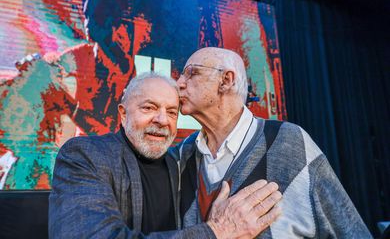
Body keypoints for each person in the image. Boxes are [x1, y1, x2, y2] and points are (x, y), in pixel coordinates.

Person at [49, 72, 282, 238]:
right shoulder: (84, 154)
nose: (162, 120)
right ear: (122, 113)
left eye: (171, 112)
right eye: (148, 108)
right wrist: (218, 230)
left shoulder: (179, 162)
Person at [174, 47, 372, 238]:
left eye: (192, 73)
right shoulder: (182, 154)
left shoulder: (289, 141)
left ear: (226, 80)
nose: (179, 83)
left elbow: (349, 230)